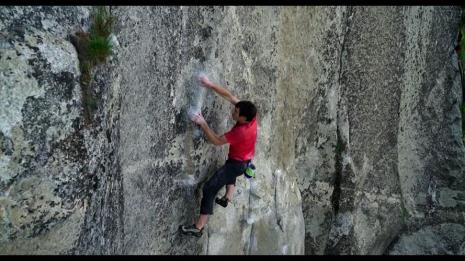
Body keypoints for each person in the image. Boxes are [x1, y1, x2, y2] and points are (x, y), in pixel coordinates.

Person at [180, 75, 258, 237]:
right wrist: (210, 84)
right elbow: (229, 96)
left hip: (237, 164)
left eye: (236, 113)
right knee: (230, 171)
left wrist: (203, 124)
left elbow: (215, 141)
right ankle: (228, 197)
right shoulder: (251, 115)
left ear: (244, 118)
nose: (233, 112)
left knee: (209, 188)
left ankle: (199, 227)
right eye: (235, 109)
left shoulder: (240, 132)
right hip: (245, 159)